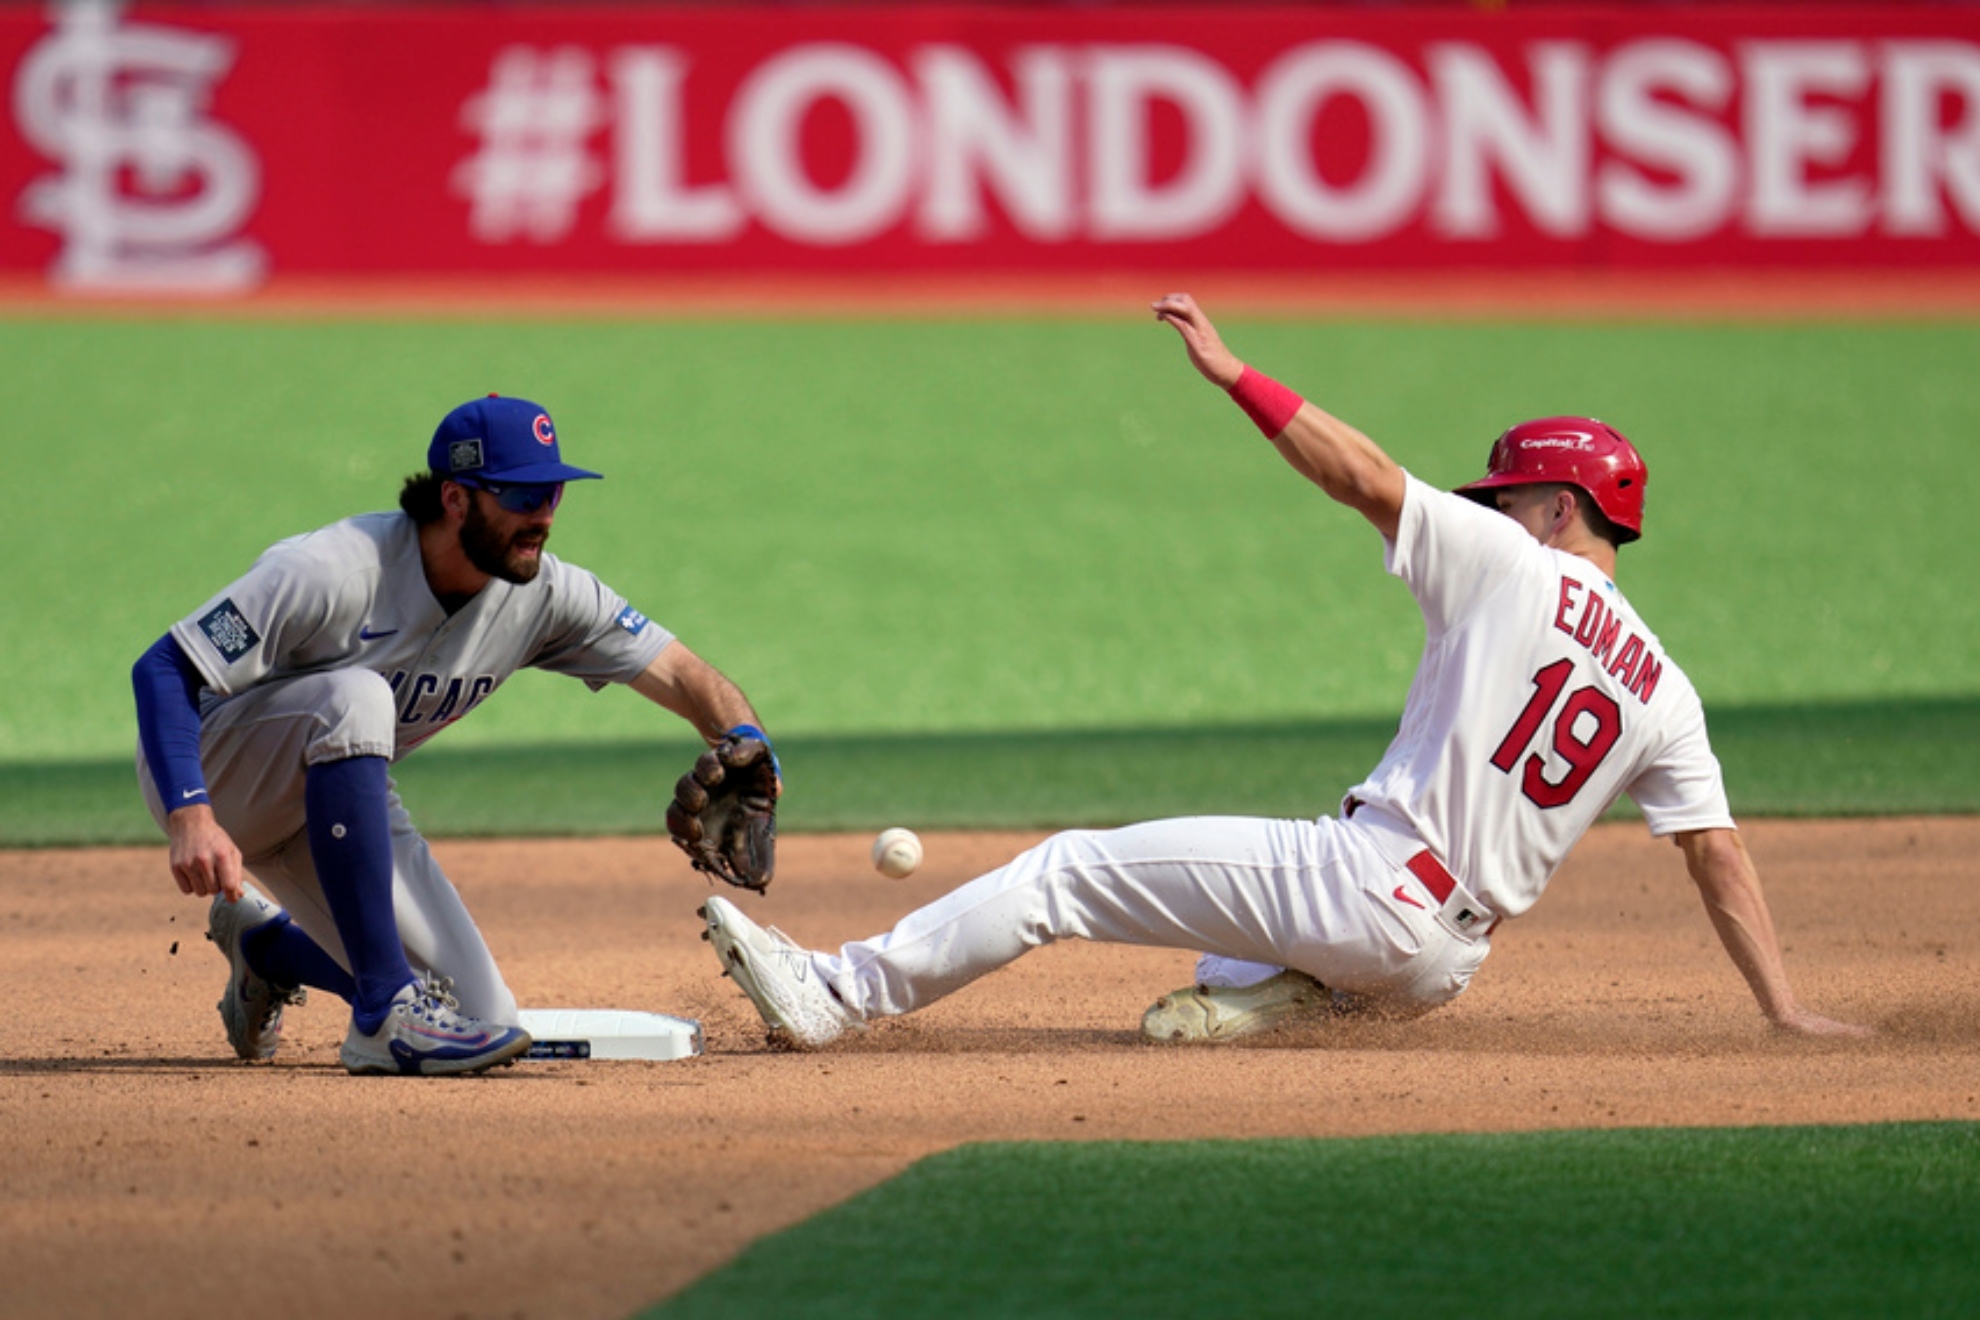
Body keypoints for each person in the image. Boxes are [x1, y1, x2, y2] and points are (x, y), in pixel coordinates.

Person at [700, 293, 1868, 1050]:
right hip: (1444, 963)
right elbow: (1717, 854)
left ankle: (838, 992)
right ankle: (1279, 991)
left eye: (1507, 494)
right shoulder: (1665, 687)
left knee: (1069, 870)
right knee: (1239, 938)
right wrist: (1783, 1008)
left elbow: (1363, 475)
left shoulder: (1514, 563)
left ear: (1558, 507)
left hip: (1368, 889)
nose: (1488, 507)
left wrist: (1237, 378)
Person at [134, 394, 775, 1076]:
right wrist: (191, 815)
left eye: (553, 490)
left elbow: (682, 672)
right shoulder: (333, 571)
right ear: (455, 498)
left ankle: (265, 952)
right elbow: (165, 666)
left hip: (337, 800)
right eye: (523, 493)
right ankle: (382, 1015)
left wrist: (753, 750)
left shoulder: (546, 595)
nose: (544, 515)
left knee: (485, 1018)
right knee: (357, 695)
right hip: (220, 771)